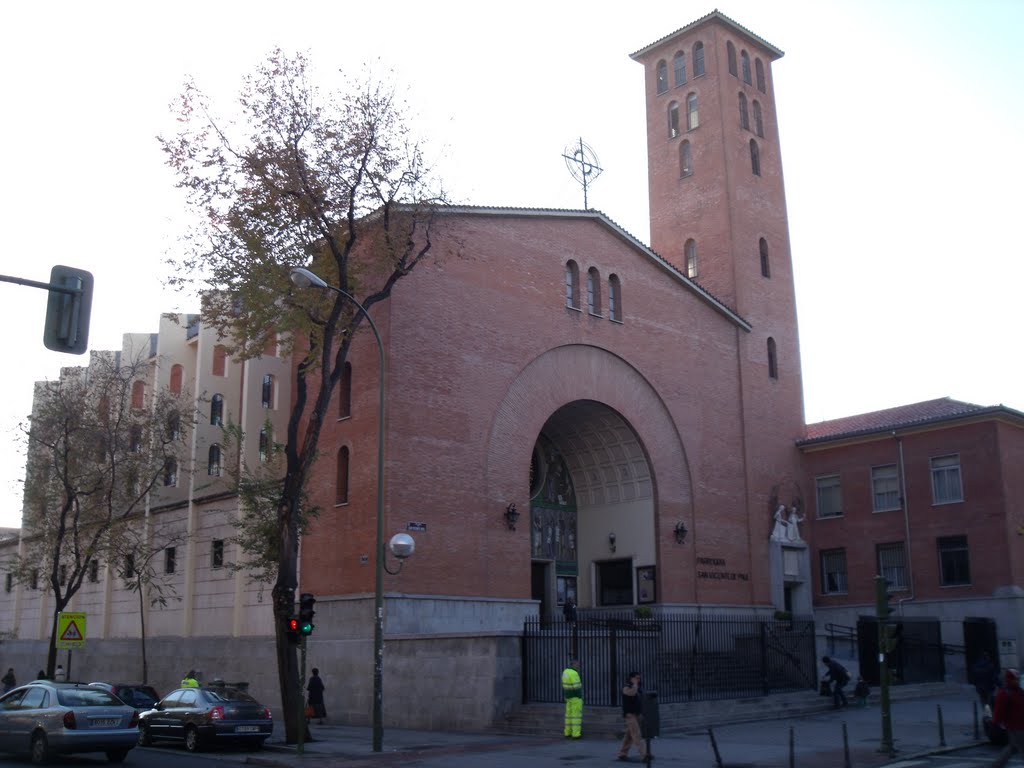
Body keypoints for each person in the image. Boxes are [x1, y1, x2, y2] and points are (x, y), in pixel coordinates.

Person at [992, 668, 1024, 766]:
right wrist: (995, 722)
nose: (1017, 681)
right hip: (1015, 726)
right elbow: (998, 710)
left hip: (1021, 724)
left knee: (1012, 747)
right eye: (1015, 679)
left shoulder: (1020, 691)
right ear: (1010, 679)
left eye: (1018, 679)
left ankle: (996, 765)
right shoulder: (1004, 693)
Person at [616, 671, 648, 761]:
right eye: (636, 678)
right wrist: (634, 685)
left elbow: (640, 700)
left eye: (639, 678)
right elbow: (632, 693)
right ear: (631, 679)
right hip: (630, 715)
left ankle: (622, 753)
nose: (638, 679)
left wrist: (641, 713)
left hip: (637, 714)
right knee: (637, 735)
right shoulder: (626, 687)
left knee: (629, 735)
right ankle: (644, 754)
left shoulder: (639, 688)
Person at [561, 658, 583, 738]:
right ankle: (576, 734)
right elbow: (577, 687)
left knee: (568, 716)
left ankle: (567, 732)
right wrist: (579, 696)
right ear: (574, 664)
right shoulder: (574, 673)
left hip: (568, 696)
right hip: (575, 697)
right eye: (577, 664)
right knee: (576, 716)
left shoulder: (565, 672)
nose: (578, 666)